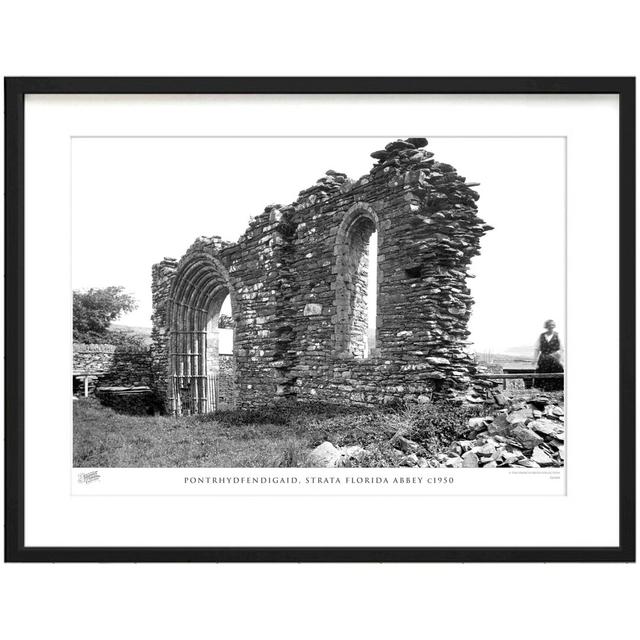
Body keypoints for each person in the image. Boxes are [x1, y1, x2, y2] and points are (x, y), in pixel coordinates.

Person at [532, 319, 564, 391]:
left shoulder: (558, 335)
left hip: (554, 358)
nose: (551, 327)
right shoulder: (541, 336)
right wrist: (534, 360)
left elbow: (562, 349)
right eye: (549, 325)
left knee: (557, 373)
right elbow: (537, 348)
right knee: (542, 373)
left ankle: (556, 390)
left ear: (554, 326)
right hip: (543, 358)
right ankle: (542, 390)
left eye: (552, 325)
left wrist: (560, 359)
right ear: (546, 326)